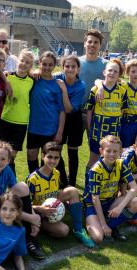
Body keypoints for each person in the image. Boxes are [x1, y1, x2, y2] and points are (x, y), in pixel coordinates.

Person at [0, 140, 44, 259]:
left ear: (9, 161)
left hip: (1, 206)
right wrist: (30, 218)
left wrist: (33, 214)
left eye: (3, 159)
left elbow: (16, 194)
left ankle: (30, 239)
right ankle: (23, 237)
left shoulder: (7, 170)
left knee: (22, 187)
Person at [26, 142, 95, 248]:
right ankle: (41, 227)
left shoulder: (56, 173)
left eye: (56, 158)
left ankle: (78, 230)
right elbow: (26, 205)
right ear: (43, 156)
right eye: (49, 157)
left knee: (72, 190)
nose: (53, 161)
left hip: (52, 207)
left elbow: (55, 192)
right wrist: (41, 209)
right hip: (39, 213)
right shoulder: (33, 179)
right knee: (63, 231)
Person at [83, 135, 137, 244]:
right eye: (108, 151)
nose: (111, 154)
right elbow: (95, 199)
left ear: (120, 151)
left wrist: (120, 207)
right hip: (93, 205)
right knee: (98, 238)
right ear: (101, 151)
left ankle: (111, 224)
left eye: (115, 151)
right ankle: (100, 222)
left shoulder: (121, 163)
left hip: (111, 202)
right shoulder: (95, 170)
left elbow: (134, 188)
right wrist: (103, 224)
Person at [27, 51, 65, 174]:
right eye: (44, 64)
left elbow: (62, 111)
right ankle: (32, 182)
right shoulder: (33, 79)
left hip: (50, 128)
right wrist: (33, 72)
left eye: (50, 65)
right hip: (34, 127)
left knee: (47, 160)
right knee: (31, 155)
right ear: (39, 63)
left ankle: (47, 186)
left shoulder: (57, 85)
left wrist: (59, 132)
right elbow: (21, 72)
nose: (47, 67)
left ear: (55, 65)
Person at [85, 59, 128, 170]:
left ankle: (105, 185)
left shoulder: (122, 91)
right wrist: (90, 128)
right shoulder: (95, 89)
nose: (112, 73)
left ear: (119, 75)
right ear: (104, 72)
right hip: (97, 130)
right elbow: (89, 110)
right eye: (110, 70)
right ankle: (88, 185)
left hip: (113, 130)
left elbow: (123, 111)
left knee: (111, 159)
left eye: (115, 71)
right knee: (93, 158)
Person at [1, 49, 35, 175]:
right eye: (22, 60)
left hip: (20, 123)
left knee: (12, 156)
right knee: (2, 154)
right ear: (17, 61)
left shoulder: (32, 81)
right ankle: (8, 183)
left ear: (31, 66)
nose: (24, 64)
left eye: (28, 62)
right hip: (4, 120)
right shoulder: (7, 76)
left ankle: (11, 184)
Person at [55, 55, 86, 187]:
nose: (70, 69)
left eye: (73, 66)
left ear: (78, 69)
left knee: (72, 151)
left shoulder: (81, 86)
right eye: (67, 66)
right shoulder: (57, 78)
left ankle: (71, 182)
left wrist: (63, 89)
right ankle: (62, 179)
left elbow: (68, 109)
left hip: (74, 118)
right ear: (63, 68)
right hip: (58, 118)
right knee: (56, 150)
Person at [79, 29, 108, 131]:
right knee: (72, 145)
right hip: (77, 110)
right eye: (90, 41)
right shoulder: (76, 62)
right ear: (85, 44)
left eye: (96, 42)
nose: (92, 44)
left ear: (100, 45)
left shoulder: (106, 65)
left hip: (97, 111)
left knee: (96, 145)